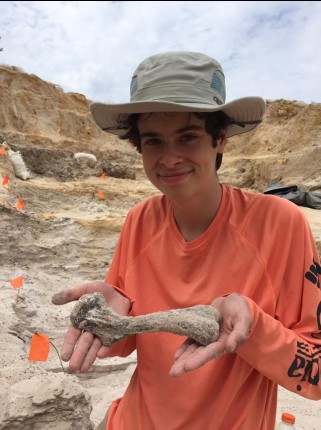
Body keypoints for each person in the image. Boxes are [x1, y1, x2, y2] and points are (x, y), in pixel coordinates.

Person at [52, 52, 321, 430]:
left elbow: (315, 375)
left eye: (188, 136)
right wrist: (116, 322)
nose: (170, 157)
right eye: (153, 142)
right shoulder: (139, 221)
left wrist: (251, 328)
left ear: (221, 139)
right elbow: (130, 344)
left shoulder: (281, 225)